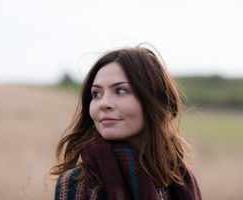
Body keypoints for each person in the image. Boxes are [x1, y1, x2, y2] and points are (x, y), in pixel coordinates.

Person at [50, 45, 202, 200]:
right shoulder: (81, 184)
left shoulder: (180, 178)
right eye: (96, 94)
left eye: (120, 91)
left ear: (154, 99)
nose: (104, 103)